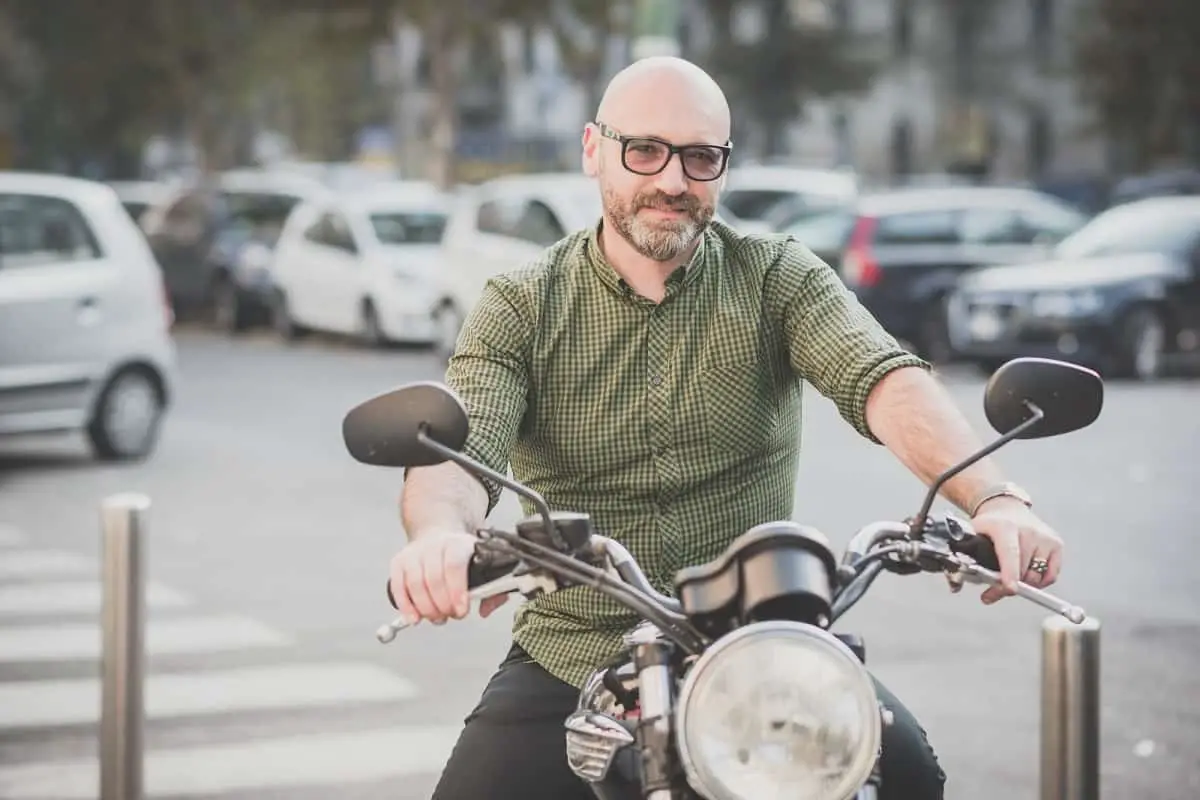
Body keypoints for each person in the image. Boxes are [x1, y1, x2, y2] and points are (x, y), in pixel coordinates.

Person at [389, 56, 1064, 800]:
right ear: (593, 149)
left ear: (722, 166)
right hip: (573, 650)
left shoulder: (776, 277)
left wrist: (993, 499)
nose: (673, 180)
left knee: (908, 781)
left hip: (763, 654)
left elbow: (884, 379)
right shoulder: (521, 304)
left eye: (700, 156)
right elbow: (463, 444)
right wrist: (440, 540)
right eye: (644, 150)